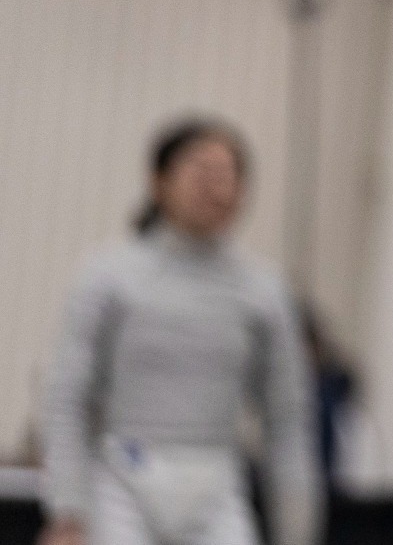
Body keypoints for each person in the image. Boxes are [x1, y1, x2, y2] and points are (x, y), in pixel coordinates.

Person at [40, 119, 320, 545]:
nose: (215, 188)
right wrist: (68, 512)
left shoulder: (265, 290)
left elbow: (287, 419)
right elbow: (66, 398)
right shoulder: (107, 276)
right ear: (159, 182)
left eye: (227, 175)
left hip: (216, 486)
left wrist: (297, 533)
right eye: (201, 172)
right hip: (121, 481)